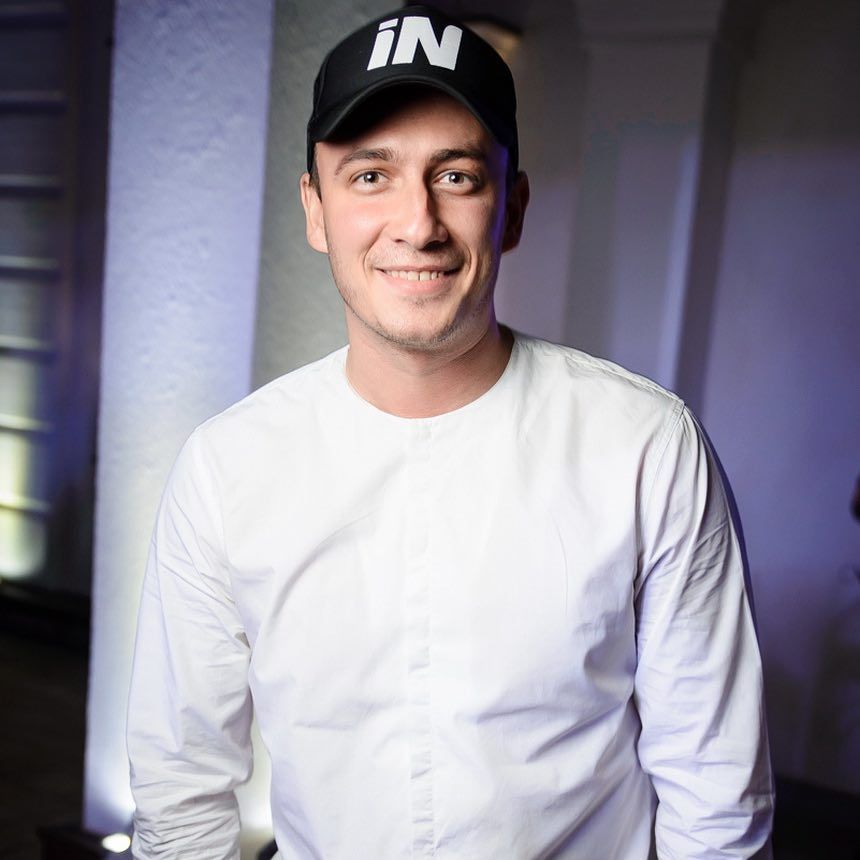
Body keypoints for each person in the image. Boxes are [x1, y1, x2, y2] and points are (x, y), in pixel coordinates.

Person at [127, 6, 774, 858]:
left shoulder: (647, 448)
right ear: (316, 210)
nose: (419, 223)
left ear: (513, 208)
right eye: (370, 175)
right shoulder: (226, 468)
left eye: (458, 176)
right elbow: (180, 791)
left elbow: (716, 798)